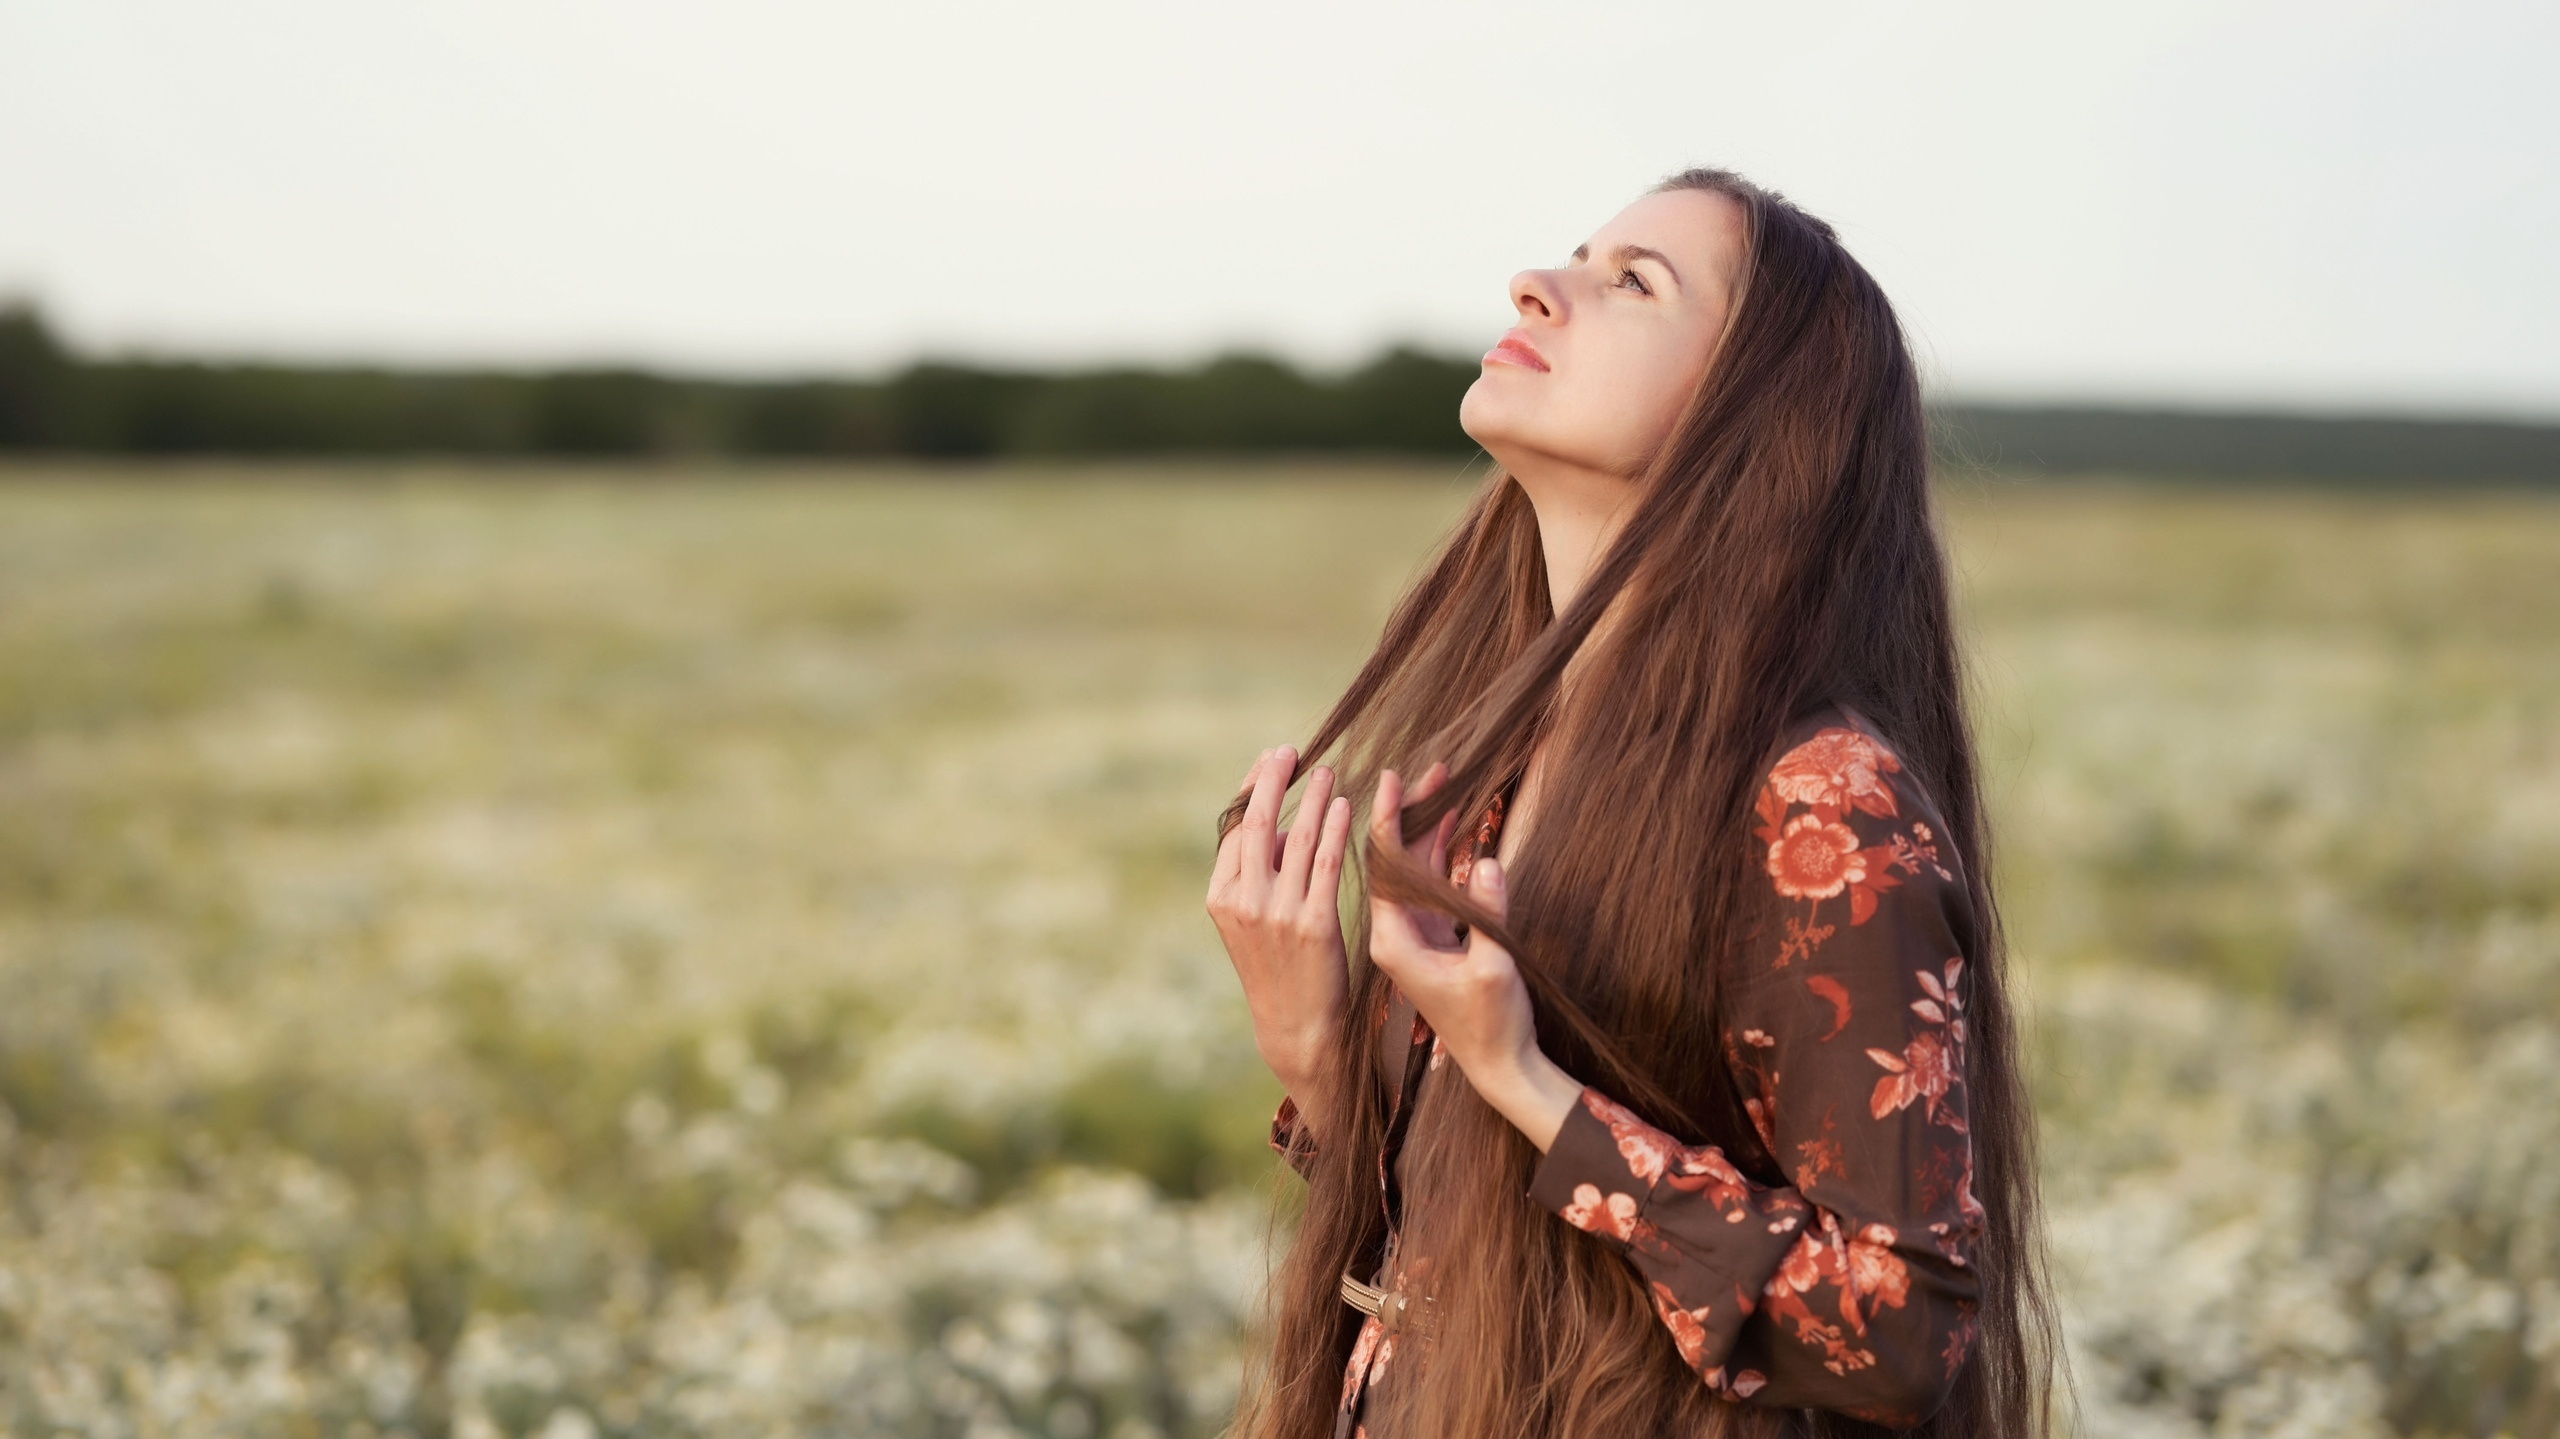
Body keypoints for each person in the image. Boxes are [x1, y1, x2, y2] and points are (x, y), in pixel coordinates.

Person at [1205, 169, 2058, 1438]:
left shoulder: (1819, 800)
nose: (1535, 287)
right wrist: (1320, 1062)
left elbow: (1899, 1328)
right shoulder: (1494, 759)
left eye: (1630, 283)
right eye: (1574, 258)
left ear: (1753, 416)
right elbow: (1461, 1259)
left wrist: (1524, 1077)